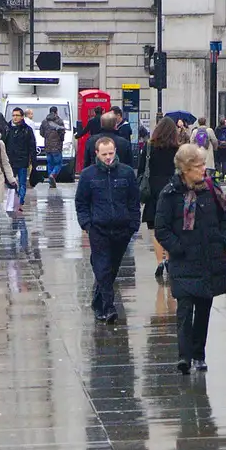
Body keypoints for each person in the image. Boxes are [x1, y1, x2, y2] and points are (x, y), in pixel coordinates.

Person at [154, 143, 226, 374]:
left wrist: (224, 241)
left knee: (204, 309)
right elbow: (162, 228)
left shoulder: (211, 189)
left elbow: (224, 216)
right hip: (184, 260)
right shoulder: (170, 194)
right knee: (185, 310)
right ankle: (184, 356)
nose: (203, 170)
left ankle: (199, 354)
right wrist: (178, 248)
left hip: (209, 257)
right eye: (198, 166)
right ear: (185, 169)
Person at [75, 133, 140, 324]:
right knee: (102, 267)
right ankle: (109, 307)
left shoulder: (126, 173)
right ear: (97, 154)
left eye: (110, 153)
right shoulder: (88, 175)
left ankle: (98, 301)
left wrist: (133, 224)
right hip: (98, 228)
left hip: (122, 228)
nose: (108, 157)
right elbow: (81, 202)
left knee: (112, 268)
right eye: (104, 154)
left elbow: (134, 201)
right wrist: (86, 224)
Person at [139, 116, 181, 281]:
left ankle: (159, 261)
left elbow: (141, 169)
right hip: (172, 188)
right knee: (171, 227)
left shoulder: (149, 147)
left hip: (153, 190)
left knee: (156, 228)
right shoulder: (177, 149)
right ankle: (170, 260)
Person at [4, 106, 37, 209]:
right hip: (11, 160)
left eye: (17, 115)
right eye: (13, 115)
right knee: (11, 182)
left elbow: (32, 146)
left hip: (23, 160)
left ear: (22, 117)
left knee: (22, 183)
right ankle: (13, 200)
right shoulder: (7, 128)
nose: (15, 117)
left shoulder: (27, 130)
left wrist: (33, 160)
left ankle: (20, 202)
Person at [40, 106, 67, 187]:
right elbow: (62, 133)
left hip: (47, 147)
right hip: (57, 147)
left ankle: (50, 182)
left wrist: (47, 137)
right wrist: (61, 139)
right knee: (58, 163)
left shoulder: (44, 121)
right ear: (56, 112)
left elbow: (41, 133)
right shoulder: (59, 121)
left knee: (50, 164)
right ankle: (53, 175)